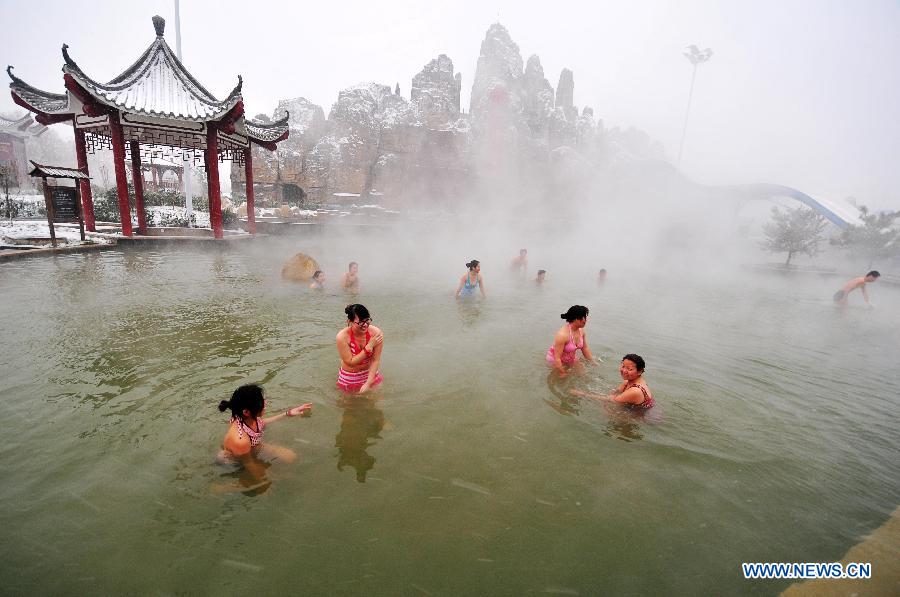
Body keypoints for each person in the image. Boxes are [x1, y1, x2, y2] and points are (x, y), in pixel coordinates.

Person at [217, 384, 312, 481]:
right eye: (261, 403)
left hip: (253, 447)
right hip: (235, 460)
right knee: (262, 482)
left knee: (291, 456)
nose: (265, 404)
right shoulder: (241, 440)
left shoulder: (245, 417)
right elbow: (249, 464)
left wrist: (287, 413)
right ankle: (221, 488)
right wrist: (264, 481)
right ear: (246, 412)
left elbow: (261, 423)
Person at [571, 354, 654, 410]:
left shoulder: (635, 391)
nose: (624, 370)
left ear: (640, 371)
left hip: (641, 415)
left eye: (629, 369)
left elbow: (611, 400)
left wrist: (581, 394)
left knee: (608, 410)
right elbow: (615, 392)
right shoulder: (630, 381)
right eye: (623, 366)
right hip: (636, 407)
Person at [336, 304, 384, 394]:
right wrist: (368, 347)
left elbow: (375, 360)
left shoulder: (376, 333)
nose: (365, 325)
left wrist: (368, 383)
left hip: (370, 373)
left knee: (375, 404)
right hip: (350, 377)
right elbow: (350, 362)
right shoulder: (342, 337)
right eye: (361, 322)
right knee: (348, 406)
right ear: (349, 321)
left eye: (367, 320)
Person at [546, 305, 595, 377]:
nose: (586, 320)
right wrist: (562, 372)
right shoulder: (562, 335)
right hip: (555, 360)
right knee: (563, 381)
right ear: (576, 319)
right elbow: (557, 358)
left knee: (584, 375)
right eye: (584, 317)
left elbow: (585, 348)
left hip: (571, 358)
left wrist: (592, 362)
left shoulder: (581, 331)